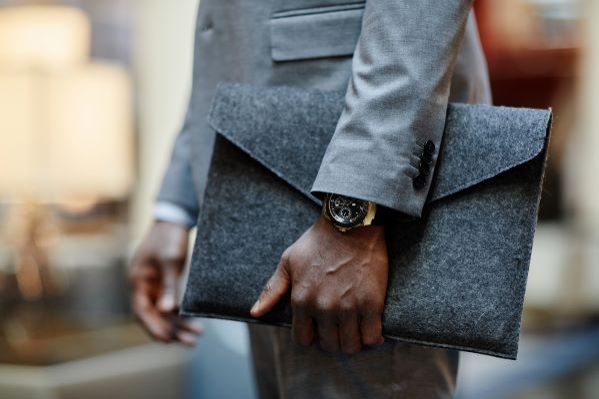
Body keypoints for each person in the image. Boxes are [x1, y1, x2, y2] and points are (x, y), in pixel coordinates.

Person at [129, 0, 492, 397]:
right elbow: (226, 36)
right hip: (254, 198)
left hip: (375, 214)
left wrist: (354, 215)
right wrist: (176, 206)